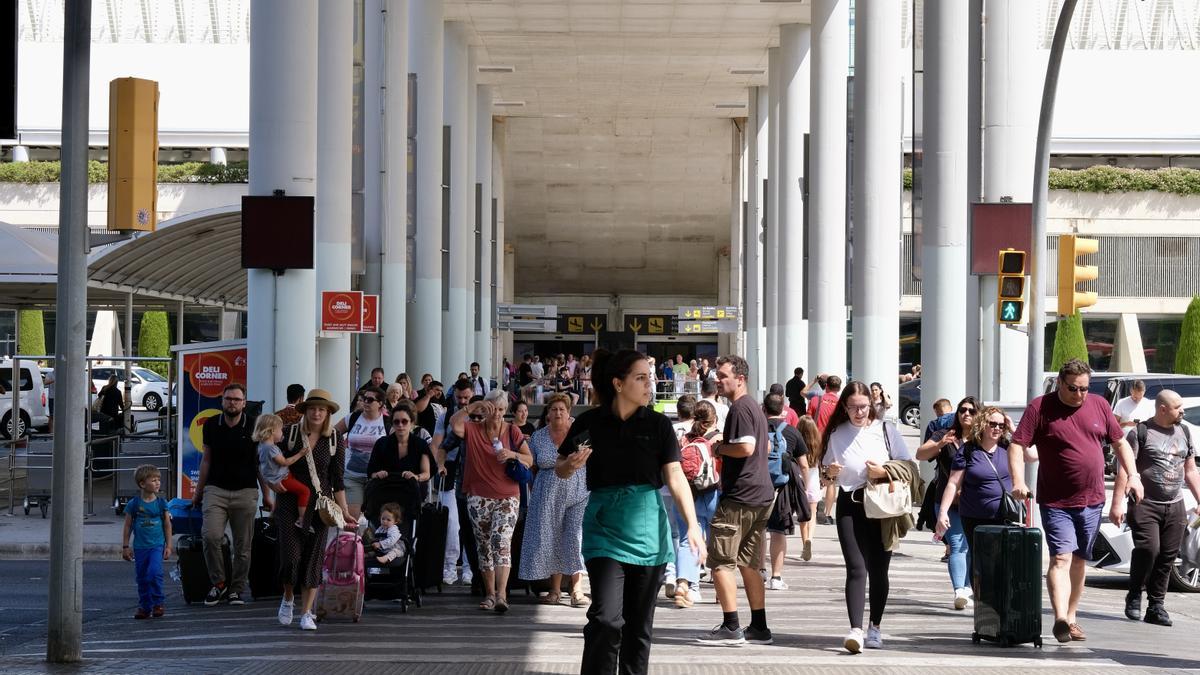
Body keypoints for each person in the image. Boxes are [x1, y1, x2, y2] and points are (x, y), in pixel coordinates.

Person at [556, 349, 704, 674]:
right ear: (618, 383)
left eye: (648, 377)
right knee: (606, 619)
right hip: (603, 529)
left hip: (648, 532)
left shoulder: (658, 425)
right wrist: (570, 464)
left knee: (638, 628)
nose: (648, 384)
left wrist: (693, 524)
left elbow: (675, 475)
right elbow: (560, 467)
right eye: (640, 377)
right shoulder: (590, 423)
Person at [1010, 358, 1142, 644]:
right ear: (1060, 382)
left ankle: (1071, 617)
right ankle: (1059, 618)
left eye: (1084, 388)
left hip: (1092, 500)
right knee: (1061, 557)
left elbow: (1119, 443)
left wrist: (1133, 475)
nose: (1080, 394)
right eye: (1073, 388)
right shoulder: (1040, 407)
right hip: (1056, 500)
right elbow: (1017, 444)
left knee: (1080, 559)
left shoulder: (1099, 405)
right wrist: (1018, 481)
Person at [819, 380, 914, 653]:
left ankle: (875, 626)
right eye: (853, 408)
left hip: (882, 505)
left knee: (879, 569)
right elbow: (825, 475)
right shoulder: (836, 432)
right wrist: (830, 474)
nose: (859, 412)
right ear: (844, 407)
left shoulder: (886, 430)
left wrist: (882, 472)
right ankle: (855, 630)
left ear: (871, 405)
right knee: (855, 567)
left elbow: (908, 467)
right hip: (849, 504)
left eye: (863, 407)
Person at [699, 355, 775, 646]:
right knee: (749, 564)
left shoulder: (740, 409)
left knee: (720, 561)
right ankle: (759, 627)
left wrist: (719, 447)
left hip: (739, 497)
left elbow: (746, 447)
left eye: (723, 375)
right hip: (761, 495)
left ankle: (731, 626)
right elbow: (764, 446)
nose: (718, 379)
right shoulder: (754, 407)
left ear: (739, 379)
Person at [1110, 389, 1200, 627]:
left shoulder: (1185, 431)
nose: (1182, 410)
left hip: (1175, 504)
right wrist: (1117, 504)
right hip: (1145, 504)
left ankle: (1156, 606)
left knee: (1168, 556)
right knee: (1149, 549)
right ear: (1162, 409)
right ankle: (1134, 594)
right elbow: (1124, 471)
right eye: (1178, 407)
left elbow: (1190, 470)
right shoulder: (1140, 433)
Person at [450, 388, 534, 613]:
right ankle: (489, 594)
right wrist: (472, 407)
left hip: (508, 495)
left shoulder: (512, 431)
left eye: (501, 409)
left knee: (501, 541)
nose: (497, 413)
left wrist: (512, 454)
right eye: (492, 409)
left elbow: (529, 459)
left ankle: (502, 595)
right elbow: (454, 424)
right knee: (483, 545)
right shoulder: (473, 428)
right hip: (478, 496)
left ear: (506, 410)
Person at [274, 389, 349, 631]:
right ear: (305, 411)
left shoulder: (335, 439)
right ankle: (288, 598)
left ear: (327, 413)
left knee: (314, 559)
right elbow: (267, 462)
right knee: (291, 558)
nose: (317, 413)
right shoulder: (289, 434)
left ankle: (307, 612)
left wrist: (344, 510)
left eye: (322, 409)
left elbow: (338, 479)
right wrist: (270, 485)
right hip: (290, 502)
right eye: (313, 408)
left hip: (320, 505)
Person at [192, 382, 269, 607]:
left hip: (246, 491)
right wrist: (198, 493)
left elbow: (259, 464)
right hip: (215, 490)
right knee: (211, 536)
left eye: (236, 399)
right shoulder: (211, 425)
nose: (232, 403)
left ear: (244, 403)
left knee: (243, 546)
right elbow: (206, 460)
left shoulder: (254, 426)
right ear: (222, 401)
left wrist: (267, 495)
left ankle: (236, 589)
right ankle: (219, 583)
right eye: (228, 399)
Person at [935, 406, 1014, 601]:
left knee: (1001, 562)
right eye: (992, 424)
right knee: (980, 561)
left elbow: (1033, 455)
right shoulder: (969, 450)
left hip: (1004, 515)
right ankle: (983, 602)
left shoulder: (1008, 447)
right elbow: (953, 483)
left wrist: (1013, 430)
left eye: (1000, 425)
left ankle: (997, 601)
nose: (996, 428)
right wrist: (943, 512)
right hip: (974, 516)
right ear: (983, 424)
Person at [520, 393, 590, 607]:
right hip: (547, 495)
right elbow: (530, 465)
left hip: (578, 492)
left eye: (562, 409)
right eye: (554, 409)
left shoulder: (580, 432)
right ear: (548, 413)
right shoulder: (539, 437)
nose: (558, 412)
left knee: (574, 537)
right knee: (552, 539)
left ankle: (577, 589)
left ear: (569, 412)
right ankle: (555, 589)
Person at [915, 397, 978, 610]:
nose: (966, 414)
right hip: (947, 501)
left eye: (971, 411)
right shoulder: (945, 435)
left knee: (973, 548)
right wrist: (940, 445)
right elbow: (921, 453)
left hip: (976, 503)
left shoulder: (983, 438)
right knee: (958, 544)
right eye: (962, 410)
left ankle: (969, 587)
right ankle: (960, 589)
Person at [673, 399, 721, 609]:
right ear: (713, 420)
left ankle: (686, 584)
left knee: (686, 540)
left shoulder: (683, 439)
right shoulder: (718, 439)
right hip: (711, 494)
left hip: (687, 495)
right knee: (716, 541)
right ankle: (720, 589)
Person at [763, 393, 806, 591]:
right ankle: (776, 577)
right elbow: (804, 464)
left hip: (757, 487)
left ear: (764, 409)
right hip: (782, 488)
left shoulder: (756, 429)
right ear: (783, 410)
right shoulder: (791, 431)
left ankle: (759, 570)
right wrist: (804, 486)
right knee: (778, 532)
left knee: (757, 532)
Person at [121, 464, 172, 619]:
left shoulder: (161, 503)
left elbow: (167, 524)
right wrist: (125, 546)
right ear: (142, 484)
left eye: (159, 480)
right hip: (140, 547)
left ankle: (158, 602)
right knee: (142, 577)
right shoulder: (134, 504)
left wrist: (169, 545)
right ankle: (145, 606)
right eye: (154, 480)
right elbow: (128, 525)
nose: (158, 483)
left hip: (156, 545)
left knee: (154, 573)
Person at [366, 401, 433, 516]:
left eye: (404, 421)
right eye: (396, 422)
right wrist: (377, 474)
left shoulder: (420, 444)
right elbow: (370, 472)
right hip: (385, 492)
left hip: (410, 492)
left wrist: (416, 476)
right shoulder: (382, 443)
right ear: (392, 423)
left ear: (412, 423)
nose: (400, 425)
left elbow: (427, 473)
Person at [334, 385, 389, 521]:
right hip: (352, 475)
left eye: (370, 400)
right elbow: (333, 434)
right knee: (351, 518)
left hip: (378, 477)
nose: (365, 402)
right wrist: (339, 453)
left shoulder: (387, 422)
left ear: (380, 403)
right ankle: (351, 542)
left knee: (378, 520)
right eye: (364, 399)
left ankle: (370, 543)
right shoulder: (353, 417)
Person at [254, 413, 311, 530]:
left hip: (278, 477)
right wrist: (300, 454)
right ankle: (302, 519)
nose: (282, 433)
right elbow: (284, 462)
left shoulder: (261, 446)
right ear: (272, 431)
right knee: (305, 491)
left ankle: (274, 515)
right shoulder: (271, 448)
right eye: (280, 430)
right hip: (283, 479)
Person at [796, 416, 822, 561]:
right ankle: (810, 539)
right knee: (812, 514)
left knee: (802, 517)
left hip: (800, 481)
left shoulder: (797, 442)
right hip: (813, 480)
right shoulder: (818, 444)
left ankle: (804, 541)